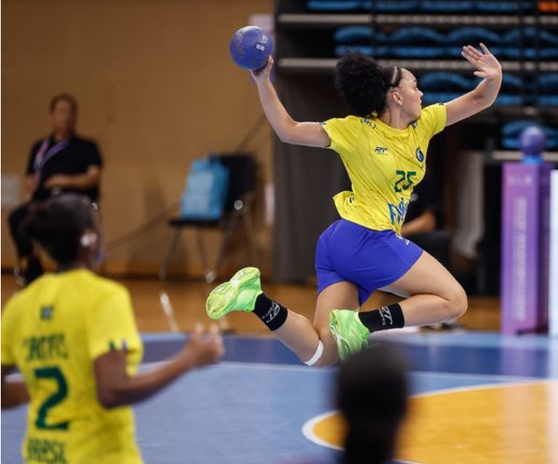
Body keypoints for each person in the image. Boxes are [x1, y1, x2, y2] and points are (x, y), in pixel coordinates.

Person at [206, 44, 502, 365]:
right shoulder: (356, 130)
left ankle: (253, 298)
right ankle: (362, 325)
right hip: (367, 237)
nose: (421, 93)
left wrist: (494, 76)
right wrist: (263, 81)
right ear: (396, 96)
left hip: (343, 245)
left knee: (321, 353)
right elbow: (288, 130)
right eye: (414, 86)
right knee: (454, 300)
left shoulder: (425, 124)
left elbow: (479, 99)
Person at [1, 194, 224, 464]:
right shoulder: (103, 297)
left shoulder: (21, 305)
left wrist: (40, 388)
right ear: (89, 238)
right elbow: (112, 391)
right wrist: (189, 359)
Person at [8, 93, 104, 285]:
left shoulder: (87, 147)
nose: (65, 116)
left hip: (75, 202)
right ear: (51, 115)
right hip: (44, 202)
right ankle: (33, 264)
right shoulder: (40, 148)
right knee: (17, 217)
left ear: (76, 115)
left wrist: (65, 181)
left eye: (70, 112)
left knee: (69, 220)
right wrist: (31, 186)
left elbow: (93, 177)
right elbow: (29, 178)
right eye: (61, 111)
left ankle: (71, 266)